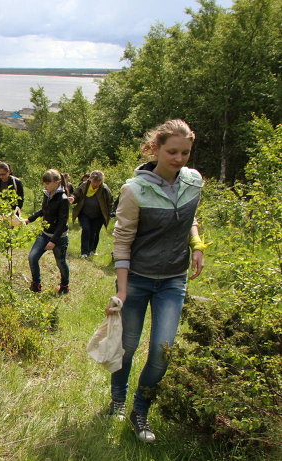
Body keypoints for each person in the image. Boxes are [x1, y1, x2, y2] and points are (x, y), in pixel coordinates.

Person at [108, 119, 206, 443]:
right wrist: (122, 289)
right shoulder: (134, 190)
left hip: (173, 281)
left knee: (163, 351)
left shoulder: (194, 182)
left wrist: (197, 245)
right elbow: (122, 241)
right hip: (137, 279)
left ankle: (140, 411)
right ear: (156, 149)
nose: (179, 159)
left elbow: (190, 218)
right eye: (172, 152)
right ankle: (118, 398)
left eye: (185, 153)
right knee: (128, 346)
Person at [24, 169, 70, 294]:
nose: (45, 186)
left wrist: (53, 241)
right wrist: (29, 219)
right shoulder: (47, 194)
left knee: (61, 263)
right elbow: (44, 210)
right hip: (45, 234)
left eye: (47, 183)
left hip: (59, 237)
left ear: (57, 182)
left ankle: (65, 285)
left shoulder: (63, 199)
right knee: (32, 257)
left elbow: (62, 222)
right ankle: (36, 284)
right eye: (44, 183)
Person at [70, 170, 114, 258]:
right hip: (84, 213)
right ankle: (84, 252)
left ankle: (92, 250)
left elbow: (110, 202)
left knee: (95, 232)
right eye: (94, 181)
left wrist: (111, 212)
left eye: (98, 182)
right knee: (86, 230)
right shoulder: (84, 185)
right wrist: (73, 198)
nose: (95, 184)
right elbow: (76, 195)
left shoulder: (105, 189)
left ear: (101, 181)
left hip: (99, 215)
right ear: (90, 179)